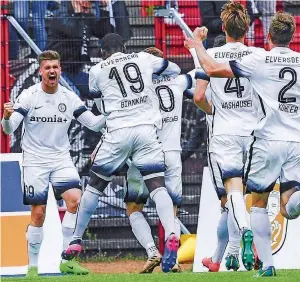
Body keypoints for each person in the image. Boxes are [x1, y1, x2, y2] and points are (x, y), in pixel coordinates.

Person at [185, 11, 300, 277]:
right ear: (293, 36)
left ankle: (268, 265)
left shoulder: (258, 58)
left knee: (258, 203)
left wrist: (197, 46)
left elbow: (213, 69)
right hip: (298, 140)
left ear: (269, 36)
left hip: (266, 139)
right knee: (288, 205)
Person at [62, 33, 182, 273]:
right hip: (147, 131)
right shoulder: (143, 58)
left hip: (117, 132)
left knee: (94, 187)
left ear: (103, 52)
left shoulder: (97, 71)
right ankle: (171, 233)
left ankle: (76, 238)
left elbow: (99, 106)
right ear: (125, 47)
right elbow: (175, 69)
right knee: (158, 186)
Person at [1, 50, 107, 277]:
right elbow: (9, 129)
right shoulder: (29, 96)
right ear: (41, 71)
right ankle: (32, 266)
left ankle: (66, 260)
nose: (52, 71)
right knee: (38, 214)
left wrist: (115, 112)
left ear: (60, 70)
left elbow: (94, 124)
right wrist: (6, 116)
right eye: (48, 67)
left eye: (55, 67)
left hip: (61, 159)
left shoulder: (69, 98)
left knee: (75, 201)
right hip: (35, 161)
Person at [191, 2, 259, 271]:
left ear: (223, 28)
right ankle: (230, 250)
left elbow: (198, 97)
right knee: (251, 195)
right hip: (253, 132)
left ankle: (243, 233)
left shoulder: (211, 54)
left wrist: (215, 108)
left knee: (232, 192)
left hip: (224, 132)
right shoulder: (257, 54)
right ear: (247, 28)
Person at [122, 46, 195, 274]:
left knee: (134, 207)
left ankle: (152, 251)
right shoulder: (178, 83)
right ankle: (172, 258)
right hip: (172, 153)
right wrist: (194, 49)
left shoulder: (138, 92)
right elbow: (201, 72)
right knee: (170, 208)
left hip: (145, 153)